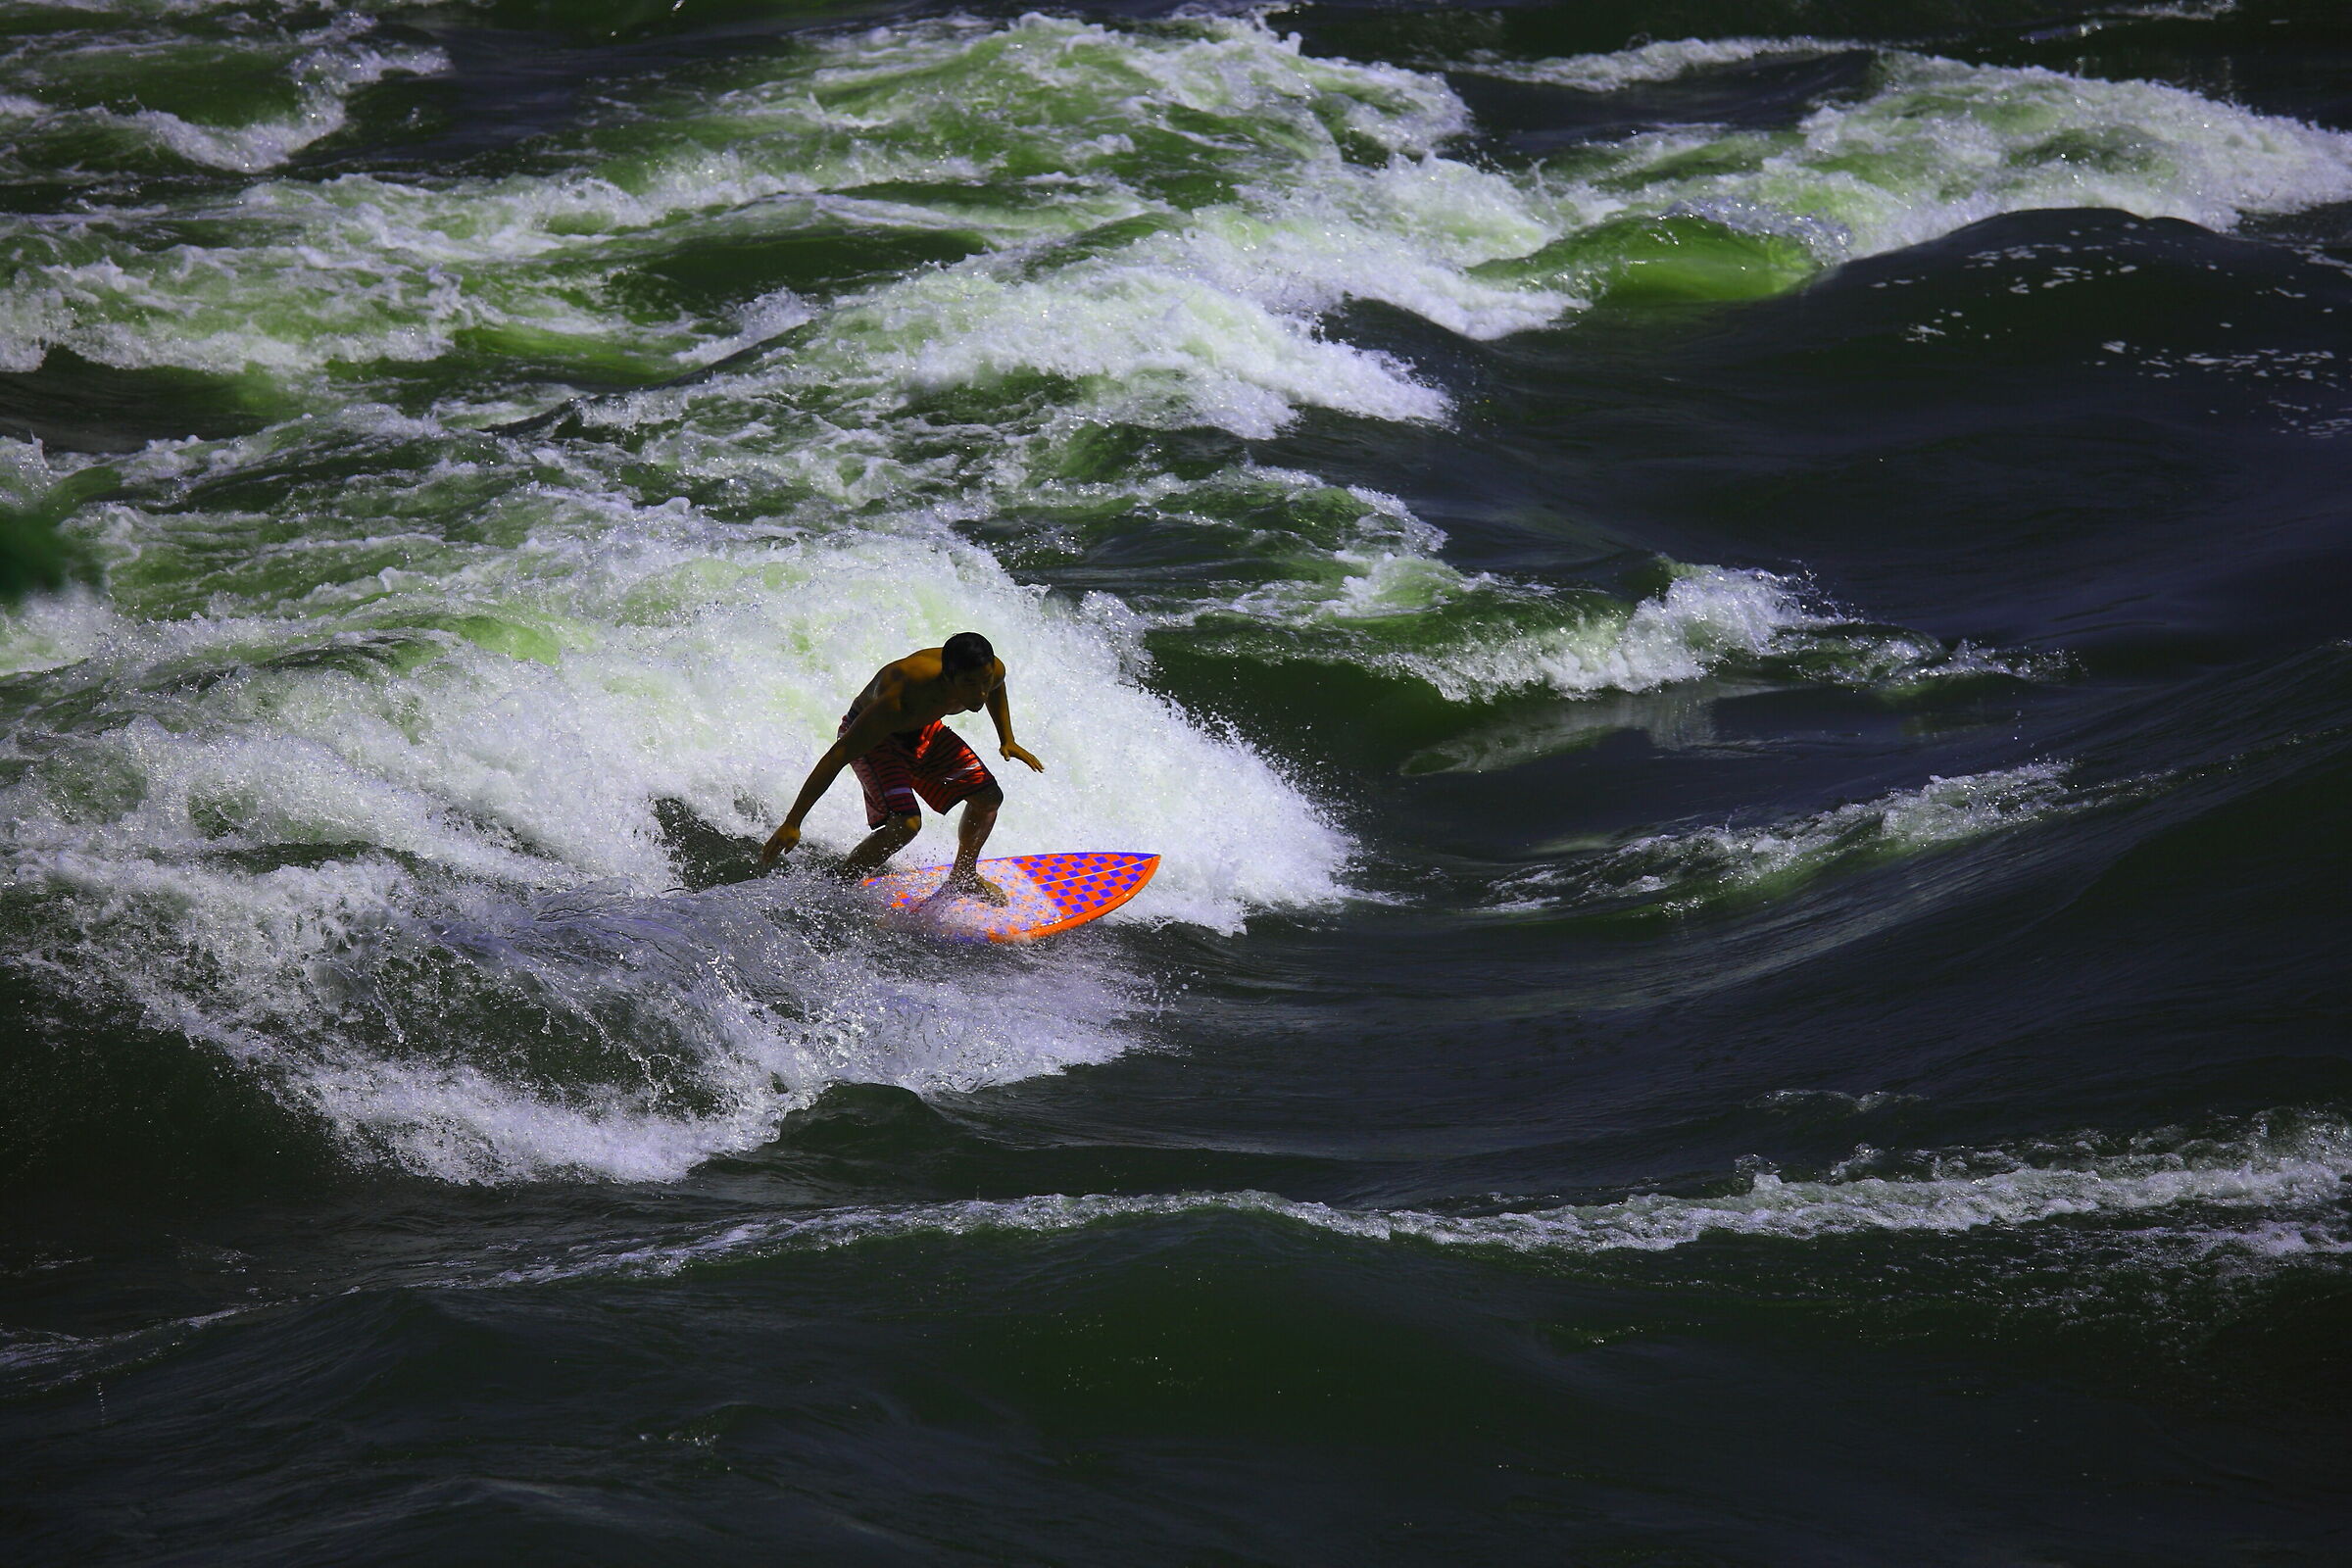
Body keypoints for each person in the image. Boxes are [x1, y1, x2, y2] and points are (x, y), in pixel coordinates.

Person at [759, 631, 1044, 904]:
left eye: (985, 680)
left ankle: (963, 876)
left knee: (989, 797)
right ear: (948, 677)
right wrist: (793, 821)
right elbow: (838, 755)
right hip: (875, 737)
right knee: (906, 824)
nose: (980, 692)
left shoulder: (991, 671)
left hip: (921, 729)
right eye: (970, 684)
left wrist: (1008, 739)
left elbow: (996, 687)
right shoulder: (903, 697)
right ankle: (836, 886)